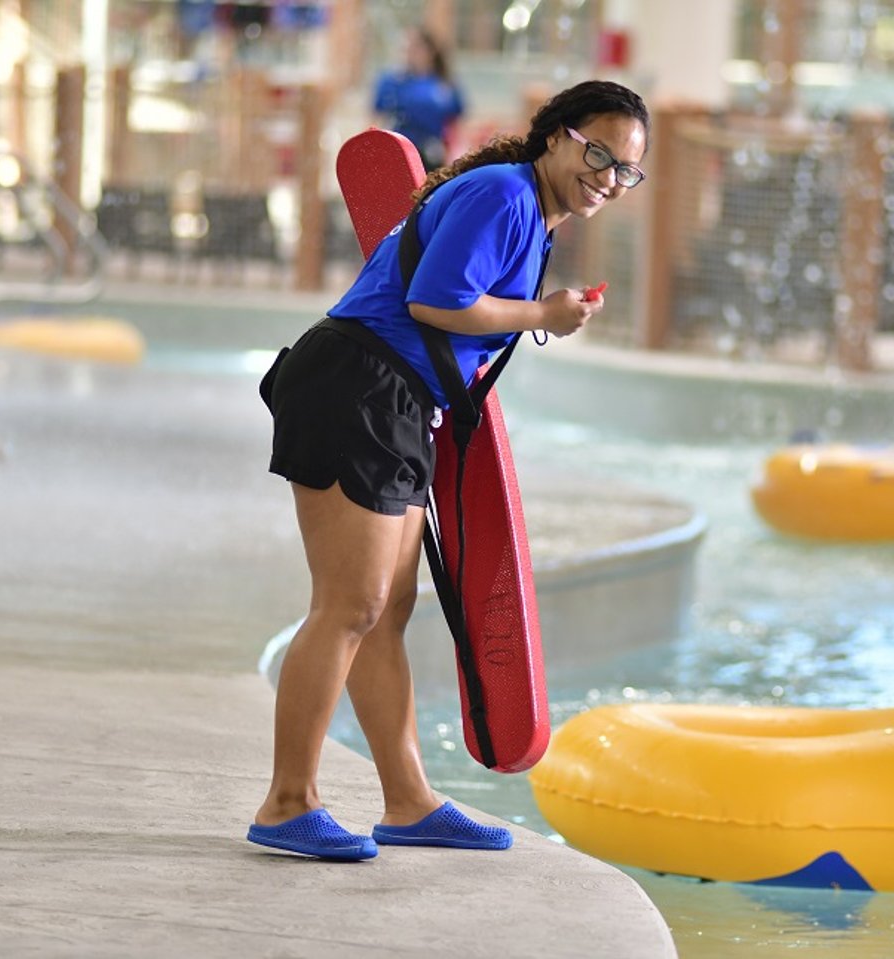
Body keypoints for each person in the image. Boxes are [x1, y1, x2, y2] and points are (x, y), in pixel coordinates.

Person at [248, 80, 650, 860]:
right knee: (348, 605)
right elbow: (436, 301)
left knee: (386, 611)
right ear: (558, 136)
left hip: (396, 400)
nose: (606, 175)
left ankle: (407, 802)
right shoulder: (504, 193)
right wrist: (544, 314)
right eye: (598, 152)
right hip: (354, 385)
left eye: (624, 169)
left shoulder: (534, 216)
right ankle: (287, 801)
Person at [373, 28, 465, 171]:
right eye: (407, 46)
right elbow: (377, 118)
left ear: (430, 51)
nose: (410, 51)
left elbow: (455, 122)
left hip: (432, 152)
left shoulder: (443, 84)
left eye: (416, 46)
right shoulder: (393, 82)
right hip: (399, 150)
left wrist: (452, 154)